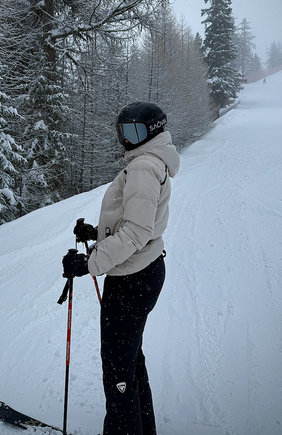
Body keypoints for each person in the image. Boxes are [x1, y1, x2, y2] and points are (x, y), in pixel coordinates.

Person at [62, 101, 180, 435]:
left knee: (118, 372)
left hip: (131, 280)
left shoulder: (143, 166)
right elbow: (137, 223)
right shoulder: (152, 161)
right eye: (123, 132)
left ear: (151, 133)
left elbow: (137, 231)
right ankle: (142, 428)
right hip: (143, 272)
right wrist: (97, 235)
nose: (126, 140)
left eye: (134, 132)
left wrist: (89, 263)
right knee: (129, 360)